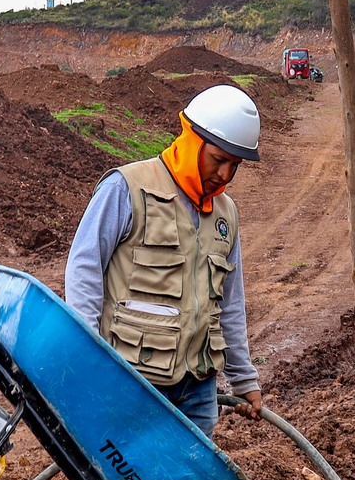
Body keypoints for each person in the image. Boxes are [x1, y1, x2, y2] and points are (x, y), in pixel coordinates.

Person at [64, 84, 265, 435]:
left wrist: (243, 377)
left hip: (198, 389)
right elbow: (84, 269)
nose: (224, 175)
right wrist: (88, 358)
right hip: (131, 381)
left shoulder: (226, 214)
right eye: (218, 160)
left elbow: (230, 304)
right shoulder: (126, 187)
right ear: (192, 140)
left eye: (234, 166)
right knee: (126, 478)